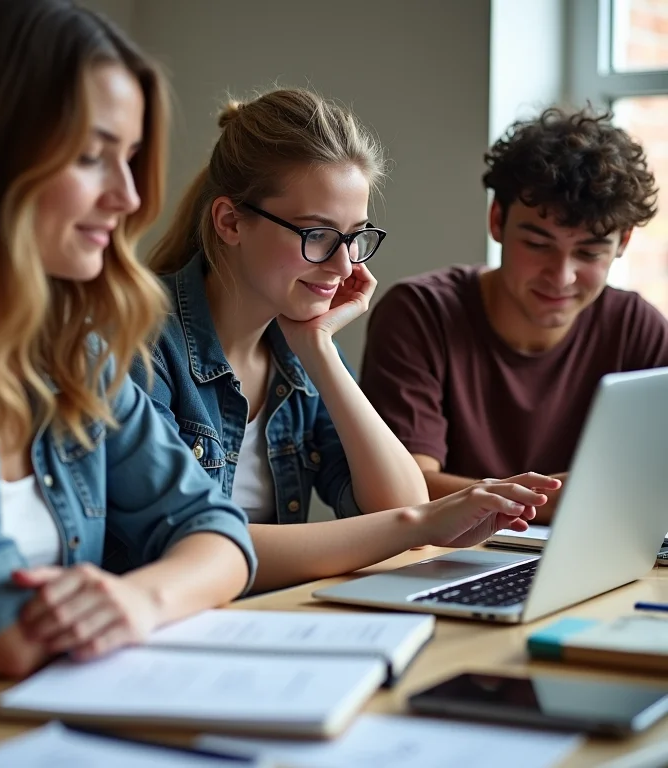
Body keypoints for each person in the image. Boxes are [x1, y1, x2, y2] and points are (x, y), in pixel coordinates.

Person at [0, 0, 256, 692]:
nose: (127, 195)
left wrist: (136, 599)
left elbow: (219, 532)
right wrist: (152, 592)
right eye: (92, 157)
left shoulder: (72, 341)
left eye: (128, 158)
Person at [132, 88, 559, 594]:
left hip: (252, 622)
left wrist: (320, 351)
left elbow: (399, 501)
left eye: (355, 236)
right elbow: (194, 545)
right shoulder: (139, 344)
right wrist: (417, 524)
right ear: (230, 222)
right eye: (317, 235)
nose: (344, 266)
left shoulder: (293, 354)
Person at [361, 106, 668, 522]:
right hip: (442, 561)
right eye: (538, 245)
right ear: (497, 220)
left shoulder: (636, 328)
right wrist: (554, 501)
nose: (561, 277)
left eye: (590, 252)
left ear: (623, 244)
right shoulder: (421, 313)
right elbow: (409, 488)